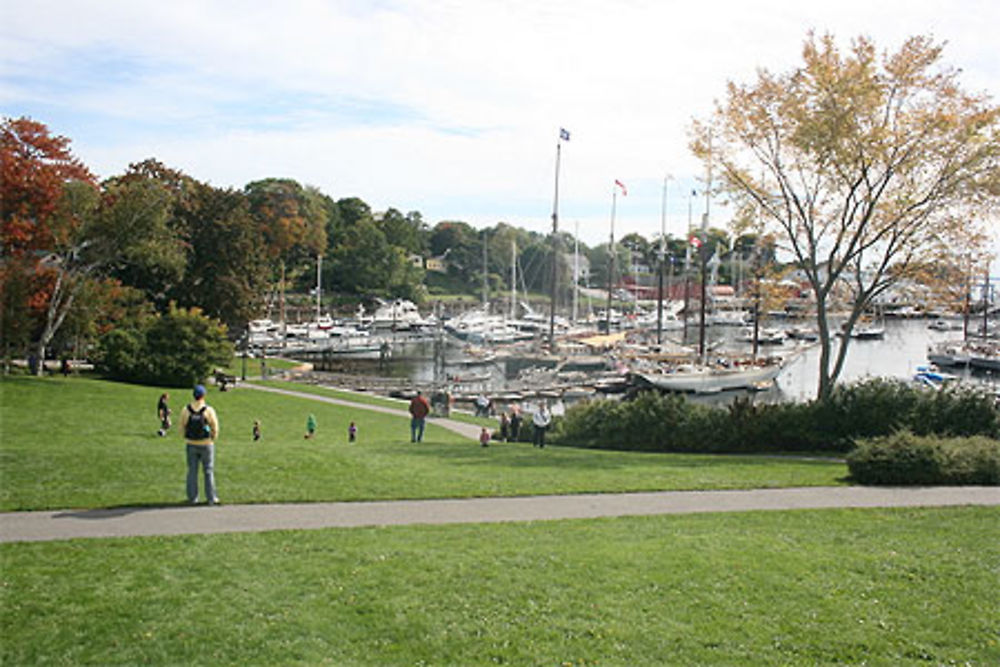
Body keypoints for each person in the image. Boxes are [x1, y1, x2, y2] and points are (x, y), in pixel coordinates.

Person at [180, 384, 220, 505]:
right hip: (206, 443)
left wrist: (186, 438)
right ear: (203, 396)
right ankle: (211, 498)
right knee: (208, 470)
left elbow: (181, 426)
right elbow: (215, 426)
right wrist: (213, 438)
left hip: (191, 443)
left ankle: (193, 498)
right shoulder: (208, 410)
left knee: (192, 471)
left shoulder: (186, 410)